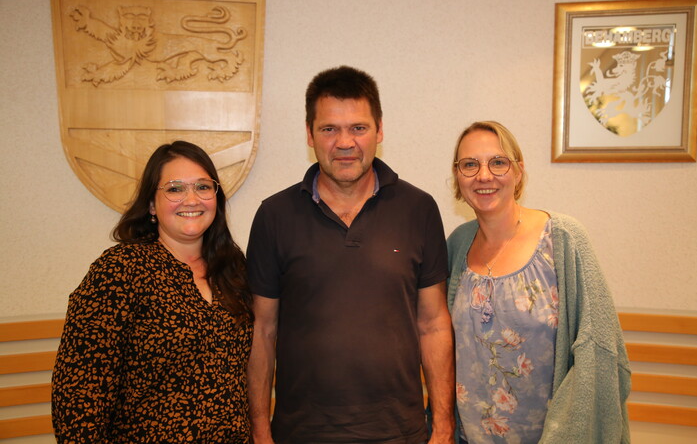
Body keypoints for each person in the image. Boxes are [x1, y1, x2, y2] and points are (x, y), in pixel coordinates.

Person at [246, 65, 455, 443]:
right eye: (329, 129)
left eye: (358, 127)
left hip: (399, 432)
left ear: (379, 130)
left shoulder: (419, 209)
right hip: (301, 433)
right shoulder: (274, 216)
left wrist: (443, 426)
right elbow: (262, 329)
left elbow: (434, 323)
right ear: (309, 134)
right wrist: (260, 429)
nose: (345, 142)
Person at [52, 141, 254, 443]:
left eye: (203, 187)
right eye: (175, 189)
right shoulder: (120, 270)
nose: (191, 199)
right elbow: (79, 392)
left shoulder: (234, 269)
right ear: (151, 205)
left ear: (216, 197)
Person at [447, 121, 631, 443]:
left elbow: (599, 348)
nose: (484, 175)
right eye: (470, 164)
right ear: (458, 176)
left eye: (498, 162)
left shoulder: (562, 239)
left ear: (518, 171)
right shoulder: (457, 244)